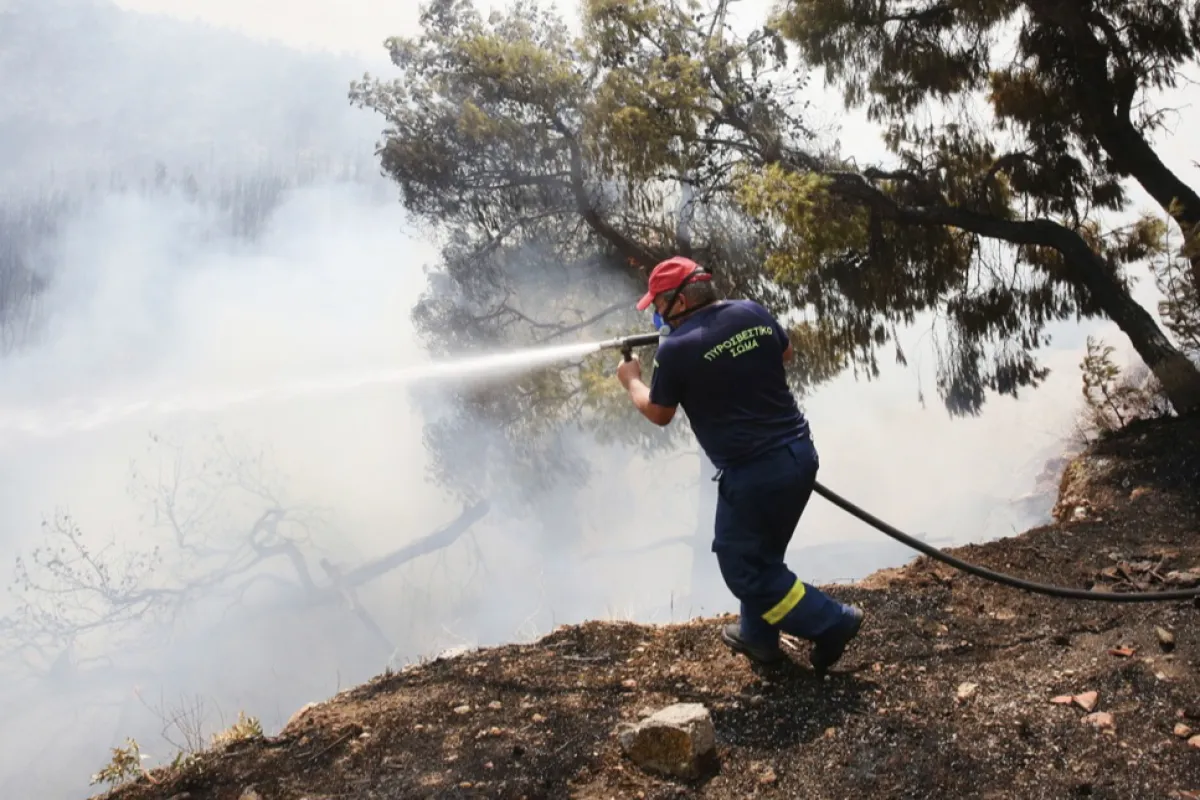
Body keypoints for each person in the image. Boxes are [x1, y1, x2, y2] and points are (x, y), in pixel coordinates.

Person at [615, 255, 864, 677]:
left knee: (744, 569)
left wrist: (632, 380)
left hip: (754, 476)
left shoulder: (676, 350)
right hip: (800, 456)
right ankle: (758, 639)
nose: (655, 313)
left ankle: (833, 622)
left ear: (678, 302)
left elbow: (659, 413)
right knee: (761, 557)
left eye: (657, 304)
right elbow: (784, 352)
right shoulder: (751, 311)